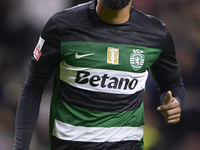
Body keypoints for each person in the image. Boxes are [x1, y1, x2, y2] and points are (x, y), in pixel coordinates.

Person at [13, 0, 186, 150]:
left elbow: (173, 85)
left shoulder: (156, 34)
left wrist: (175, 102)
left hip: (127, 144)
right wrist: (21, 146)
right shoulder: (62, 26)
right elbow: (33, 87)